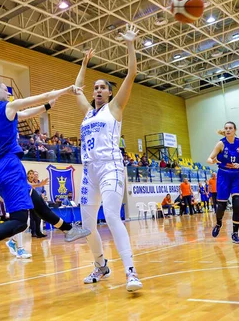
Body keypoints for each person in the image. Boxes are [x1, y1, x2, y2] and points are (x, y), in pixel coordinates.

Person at [0, 81, 91, 277]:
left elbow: (26, 114)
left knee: (37, 202)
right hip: (8, 168)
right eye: (6, 89)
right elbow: (38, 97)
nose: (9, 92)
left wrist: (47, 107)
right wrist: (66, 89)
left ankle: (69, 229)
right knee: (21, 221)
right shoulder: (8, 107)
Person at [72, 24, 142, 292]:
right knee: (88, 226)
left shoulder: (114, 108)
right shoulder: (88, 113)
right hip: (89, 171)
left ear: (110, 93)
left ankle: (131, 271)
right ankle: (101, 266)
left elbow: (132, 73)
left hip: (111, 167)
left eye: (103, 87)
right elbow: (76, 88)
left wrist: (130, 44)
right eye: (96, 88)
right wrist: (84, 62)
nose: (98, 90)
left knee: (112, 216)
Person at [207, 121, 239, 244]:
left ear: (234, 130)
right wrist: (212, 161)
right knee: (221, 206)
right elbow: (209, 158)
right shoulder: (221, 144)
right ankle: (218, 224)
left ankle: (235, 234)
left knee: (237, 204)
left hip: (238, 176)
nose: (228, 130)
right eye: (226, 128)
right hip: (223, 176)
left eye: (230, 128)